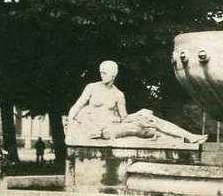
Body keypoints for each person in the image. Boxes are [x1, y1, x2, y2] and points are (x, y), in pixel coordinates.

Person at [66, 60, 207, 143]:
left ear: (114, 73)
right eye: (101, 72)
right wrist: (70, 120)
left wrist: (139, 113)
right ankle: (180, 137)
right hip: (103, 130)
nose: (102, 75)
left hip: (116, 126)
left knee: (149, 118)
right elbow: (77, 106)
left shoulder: (118, 94)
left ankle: (189, 137)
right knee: (146, 128)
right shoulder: (92, 87)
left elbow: (124, 118)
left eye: (105, 72)